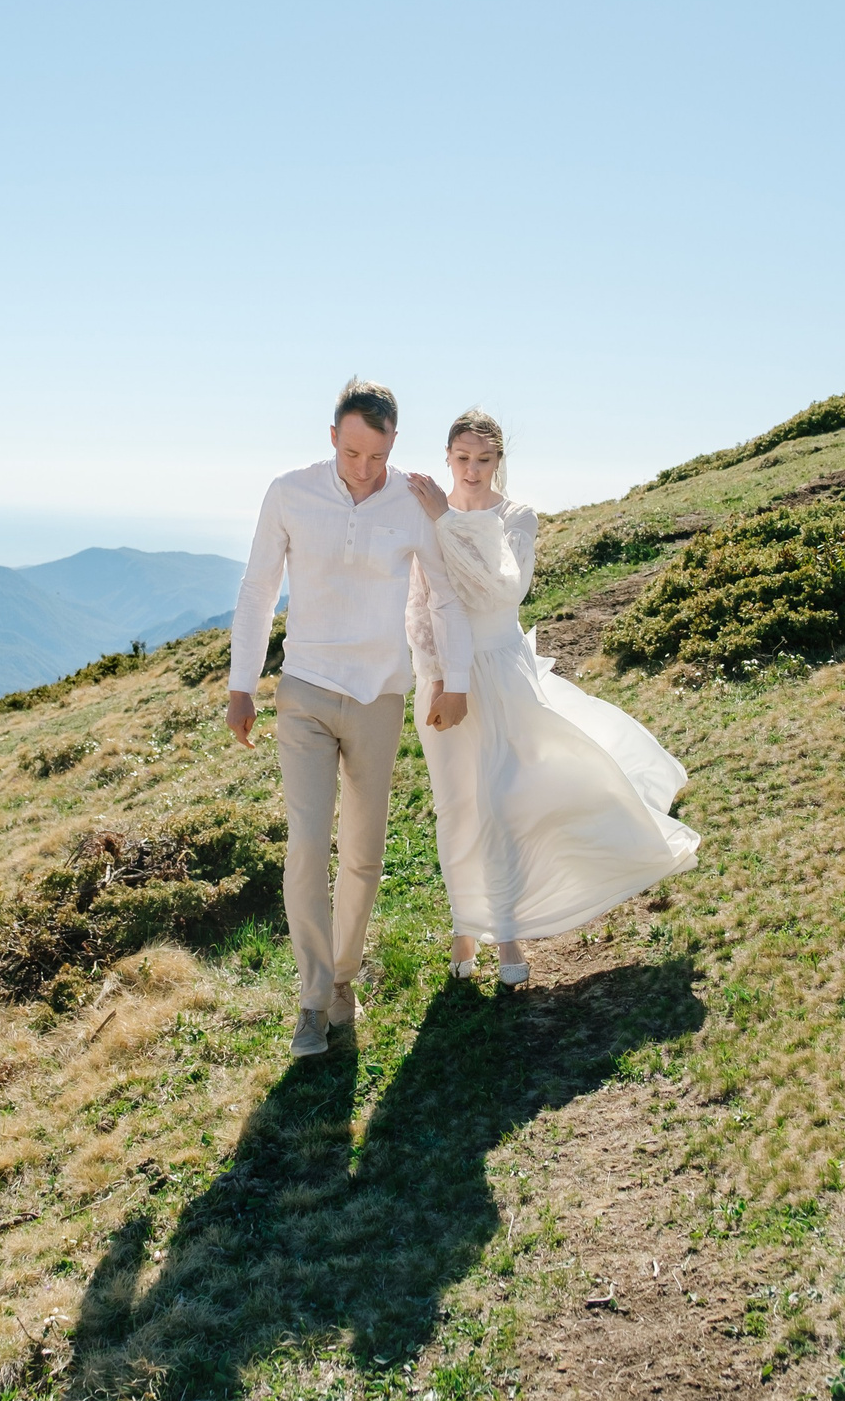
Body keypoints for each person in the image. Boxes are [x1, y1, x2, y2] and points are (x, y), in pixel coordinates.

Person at [403, 409, 698, 984]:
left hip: (502, 672)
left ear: (499, 461)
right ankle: (466, 930)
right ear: (447, 457)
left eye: (484, 460)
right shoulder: (427, 514)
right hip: (443, 678)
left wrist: (446, 522)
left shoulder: (516, 518)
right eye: (462, 459)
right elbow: (418, 605)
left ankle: (507, 940)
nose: (472, 470)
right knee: (456, 806)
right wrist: (435, 675)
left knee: (503, 807)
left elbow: (502, 589)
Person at [227, 378, 474, 1057]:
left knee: (363, 852)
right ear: (333, 435)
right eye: (352, 451)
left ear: (393, 443)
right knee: (308, 844)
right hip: (305, 690)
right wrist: (240, 685)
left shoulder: (414, 501)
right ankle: (311, 1001)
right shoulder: (290, 492)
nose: (363, 468)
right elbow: (256, 591)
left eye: (377, 454)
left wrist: (454, 678)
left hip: (379, 695)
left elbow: (447, 596)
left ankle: (341, 980)